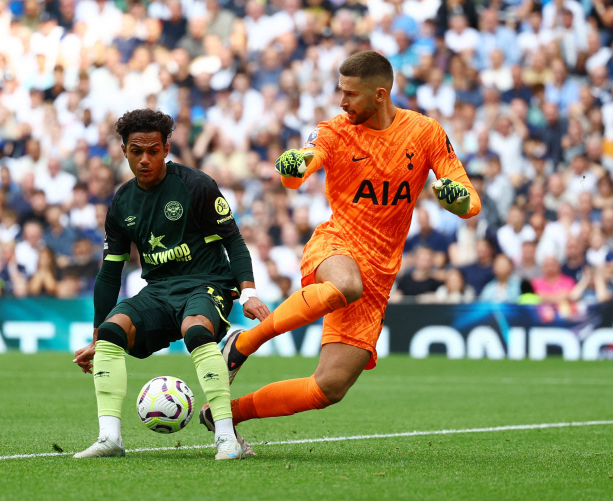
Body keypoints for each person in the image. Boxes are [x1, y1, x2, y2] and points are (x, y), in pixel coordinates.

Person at [200, 51, 480, 439]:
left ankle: (226, 414)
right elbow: (302, 167)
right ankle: (243, 344)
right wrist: (294, 165)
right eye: (339, 91)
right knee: (347, 284)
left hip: (380, 275)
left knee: (329, 388)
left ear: (380, 94)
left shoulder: (425, 132)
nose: (341, 101)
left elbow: (469, 199)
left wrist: (457, 199)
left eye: (350, 94)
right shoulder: (335, 129)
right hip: (336, 245)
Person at [72, 109, 269, 461]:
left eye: (153, 150)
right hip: (159, 291)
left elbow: (234, 241)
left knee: (196, 330)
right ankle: (109, 438)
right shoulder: (122, 202)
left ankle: (226, 439)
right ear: (124, 151)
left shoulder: (196, 185)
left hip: (207, 283)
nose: (144, 159)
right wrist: (97, 336)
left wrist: (248, 292)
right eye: (136, 151)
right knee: (113, 332)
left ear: (166, 148)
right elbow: (109, 272)